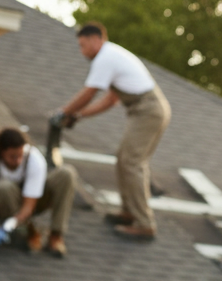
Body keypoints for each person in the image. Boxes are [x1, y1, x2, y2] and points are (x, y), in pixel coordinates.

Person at [56, 22, 171, 242]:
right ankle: (129, 212)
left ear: (95, 39)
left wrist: (63, 112)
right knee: (124, 160)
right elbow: (110, 99)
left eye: (83, 45)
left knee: (132, 163)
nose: (82, 52)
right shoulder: (113, 57)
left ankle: (144, 223)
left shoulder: (105, 57)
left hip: (148, 110)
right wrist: (78, 116)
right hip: (148, 110)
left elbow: (89, 93)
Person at [0, 127, 76, 256]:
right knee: (4, 187)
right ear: (0, 152)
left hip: (30, 205)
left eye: (20, 155)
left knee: (66, 174)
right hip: (2, 205)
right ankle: (28, 232)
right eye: (12, 156)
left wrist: (14, 222)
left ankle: (55, 235)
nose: (18, 161)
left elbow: (29, 206)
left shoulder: (34, 159)